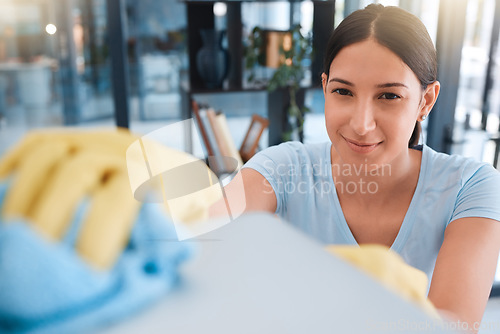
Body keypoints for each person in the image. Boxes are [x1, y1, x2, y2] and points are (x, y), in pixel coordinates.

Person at [210, 4, 500, 330]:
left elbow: (451, 327)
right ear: (324, 88)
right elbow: (206, 249)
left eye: (389, 96)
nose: (361, 125)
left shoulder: (471, 186)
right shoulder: (282, 168)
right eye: (343, 91)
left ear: (425, 101)